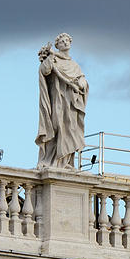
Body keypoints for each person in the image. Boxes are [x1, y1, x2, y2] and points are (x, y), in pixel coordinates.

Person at [35, 33, 89, 169]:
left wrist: (82, 82)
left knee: (71, 129)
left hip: (71, 103)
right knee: (56, 126)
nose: (65, 43)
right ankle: (53, 160)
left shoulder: (74, 65)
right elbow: (44, 71)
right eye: (61, 41)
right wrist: (50, 57)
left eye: (67, 40)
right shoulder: (54, 59)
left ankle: (67, 162)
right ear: (57, 45)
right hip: (58, 101)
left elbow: (81, 79)